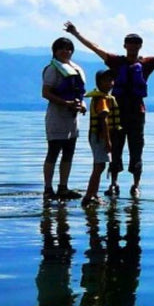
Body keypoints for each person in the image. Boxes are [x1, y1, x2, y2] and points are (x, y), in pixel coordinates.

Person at [62, 22, 154, 196]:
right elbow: (95, 47)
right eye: (130, 44)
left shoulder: (146, 64)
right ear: (125, 46)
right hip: (117, 112)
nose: (133, 47)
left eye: (136, 44)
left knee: (136, 148)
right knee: (115, 148)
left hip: (137, 113)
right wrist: (76, 33)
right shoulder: (116, 62)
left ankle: (135, 185)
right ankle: (113, 183)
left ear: (140, 46)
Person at [41, 36, 87, 200]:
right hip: (57, 116)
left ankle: (63, 187)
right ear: (54, 51)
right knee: (53, 151)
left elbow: (80, 93)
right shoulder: (52, 69)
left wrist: (82, 105)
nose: (65, 51)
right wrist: (65, 102)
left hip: (72, 119)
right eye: (61, 48)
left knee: (69, 152)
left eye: (68, 49)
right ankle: (48, 188)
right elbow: (46, 92)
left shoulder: (76, 69)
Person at [81, 69, 120, 206]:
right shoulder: (102, 99)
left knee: (99, 166)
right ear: (99, 83)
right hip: (99, 137)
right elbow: (103, 120)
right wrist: (108, 141)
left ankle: (94, 194)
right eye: (107, 81)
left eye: (112, 80)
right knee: (99, 167)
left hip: (97, 136)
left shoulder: (103, 97)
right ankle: (88, 196)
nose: (110, 83)